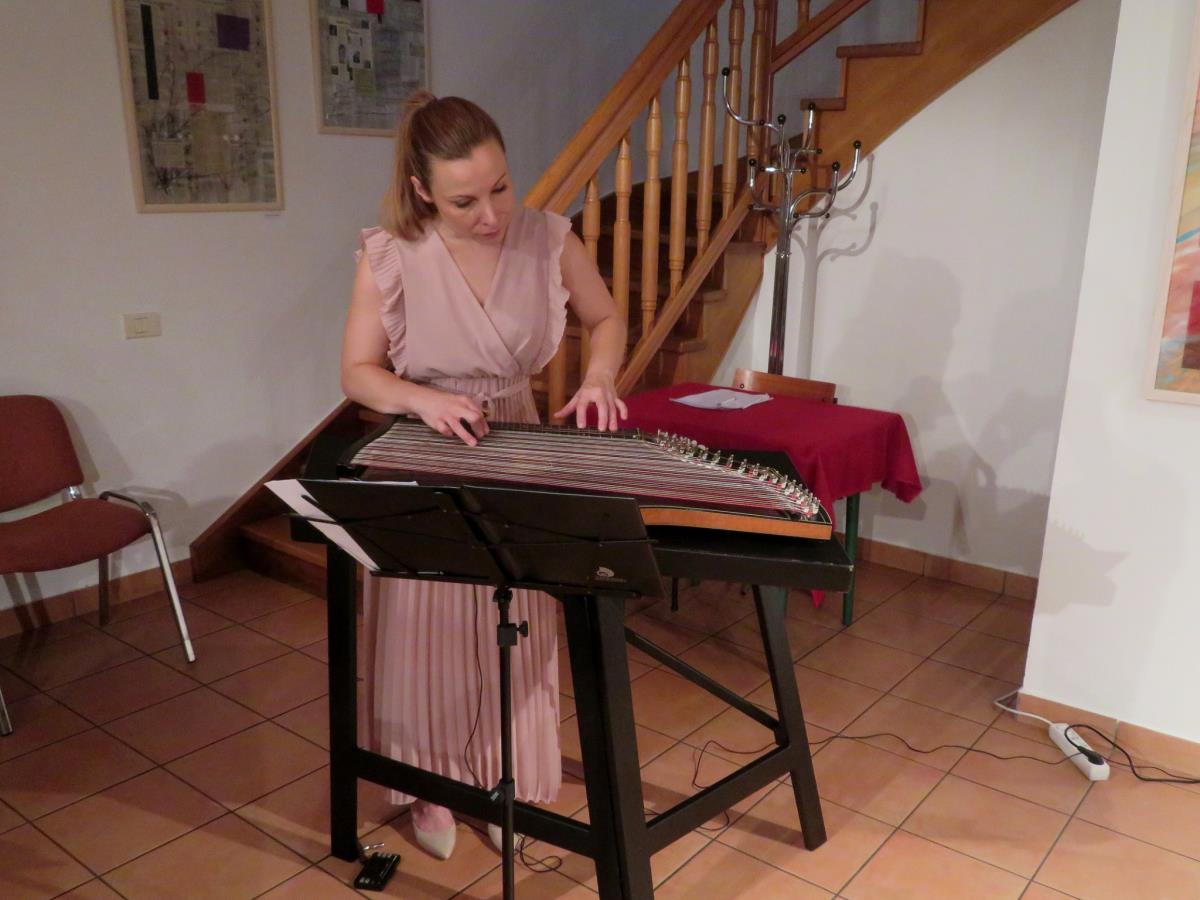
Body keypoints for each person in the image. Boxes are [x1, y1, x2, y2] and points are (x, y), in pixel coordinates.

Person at [340, 91, 628, 860]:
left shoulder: (548, 237)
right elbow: (358, 373)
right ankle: (429, 785)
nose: (493, 214)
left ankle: (505, 774)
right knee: (428, 628)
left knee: (517, 624)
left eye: (500, 187)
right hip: (426, 448)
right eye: (465, 201)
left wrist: (599, 377)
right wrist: (423, 399)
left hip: (516, 441)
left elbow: (606, 318)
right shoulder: (389, 254)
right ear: (422, 190)